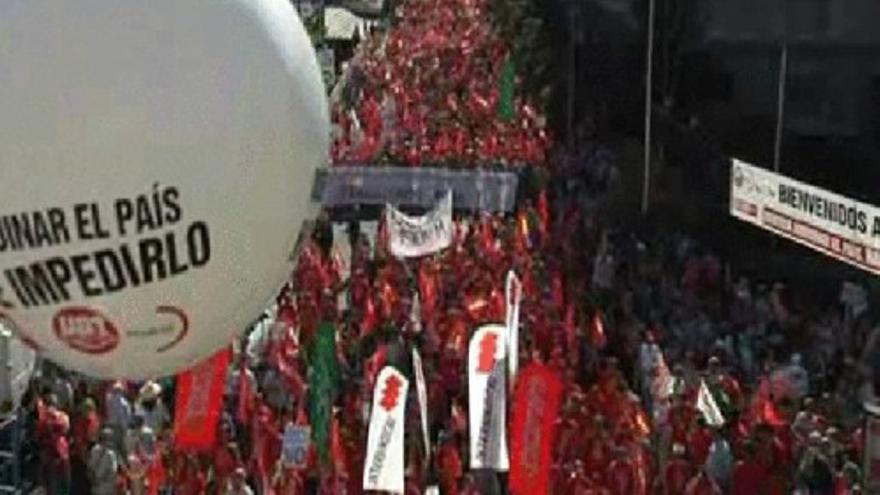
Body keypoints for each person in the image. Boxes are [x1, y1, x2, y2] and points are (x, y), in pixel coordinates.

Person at [87, 429, 119, 495]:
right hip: (107, 488)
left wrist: (94, 481)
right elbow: (113, 471)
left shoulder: (94, 450)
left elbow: (89, 468)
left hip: (96, 488)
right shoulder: (111, 453)